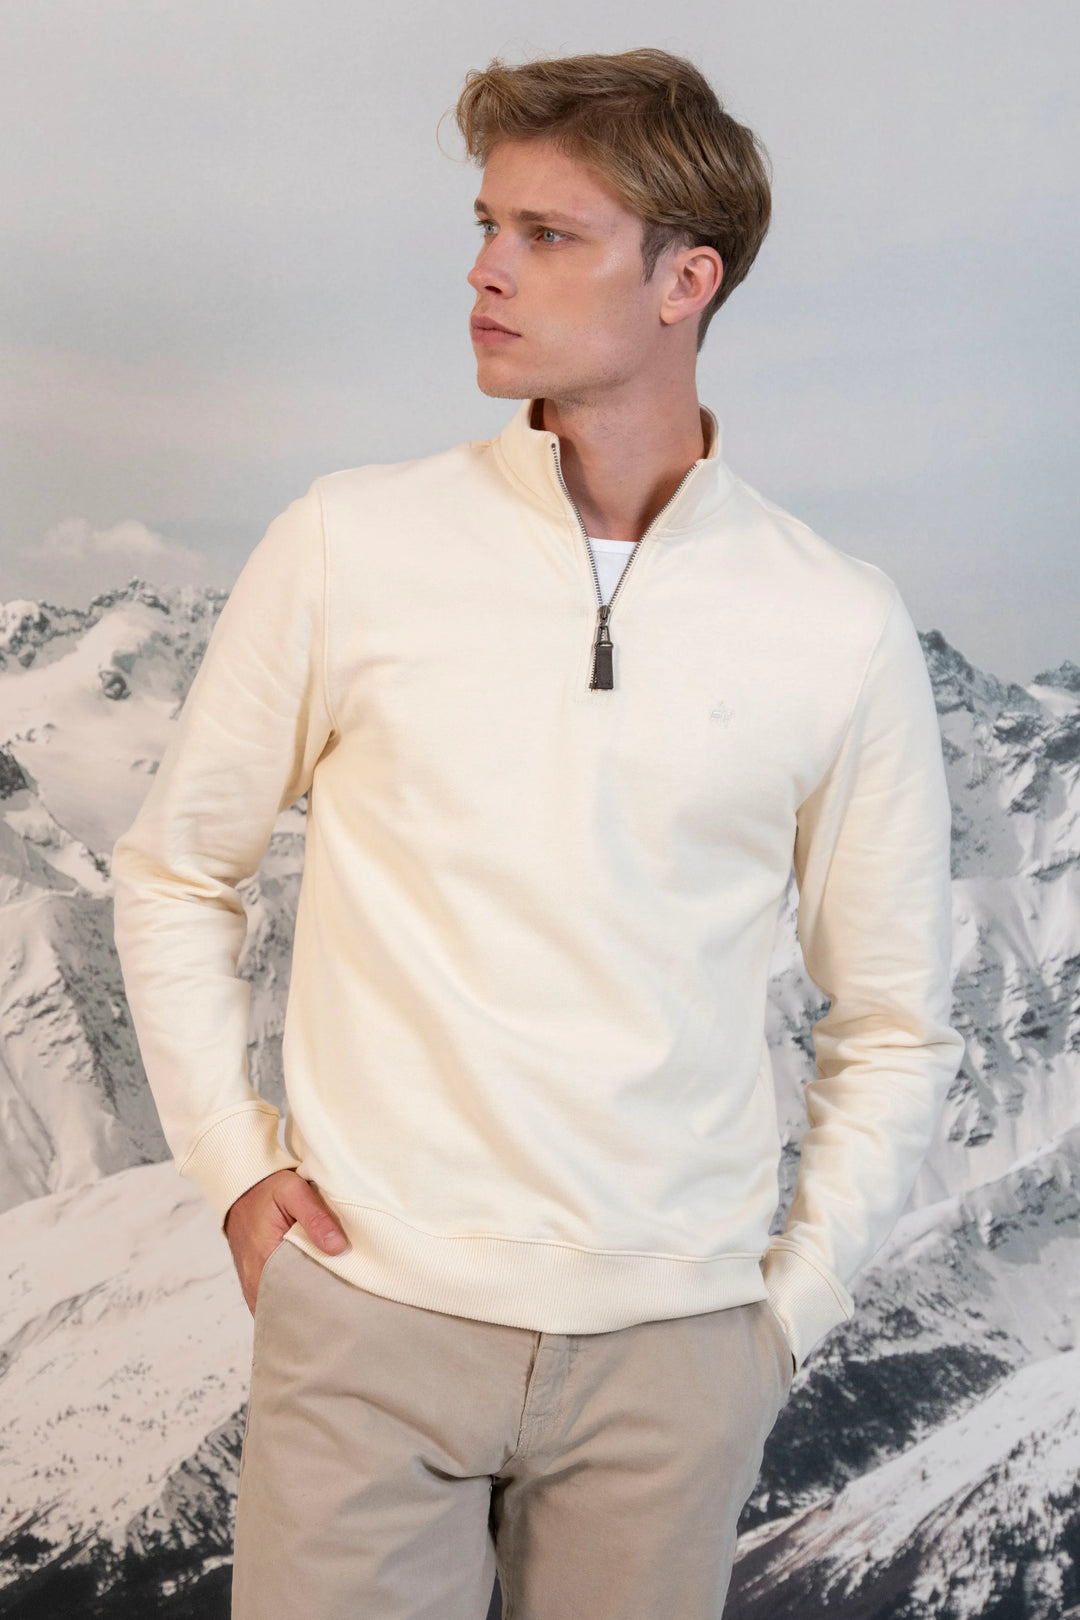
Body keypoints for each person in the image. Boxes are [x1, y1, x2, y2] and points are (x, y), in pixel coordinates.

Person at [110, 46, 965, 1620]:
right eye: (486, 225)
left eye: (548, 235)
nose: (485, 271)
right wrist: (234, 1167)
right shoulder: (348, 543)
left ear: (686, 281)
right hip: (370, 1321)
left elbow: (899, 1020)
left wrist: (778, 1322)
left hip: (674, 1364)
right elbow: (175, 872)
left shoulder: (835, 623)